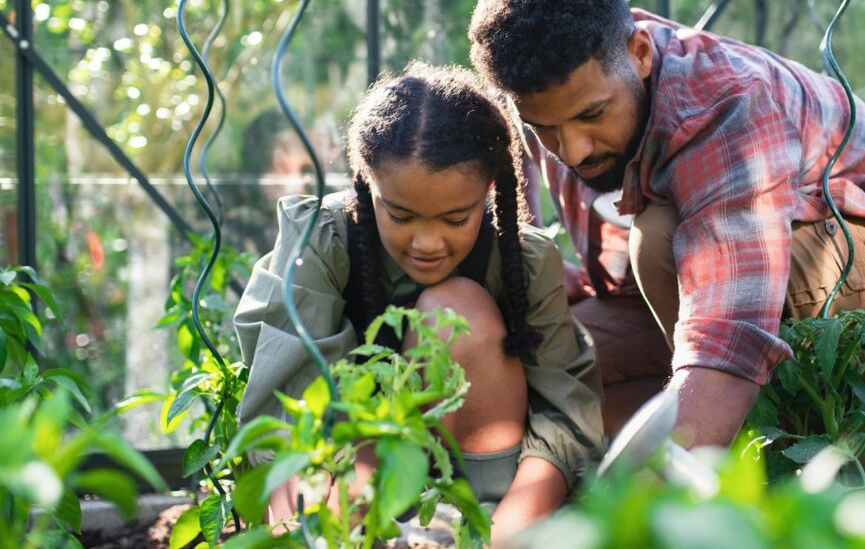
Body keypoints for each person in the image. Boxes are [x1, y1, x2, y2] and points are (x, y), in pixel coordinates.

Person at [468, 0, 865, 448]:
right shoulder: (544, 89)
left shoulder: (722, 105)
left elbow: (728, 331)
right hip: (771, 284)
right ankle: (721, 451)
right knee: (553, 372)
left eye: (592, 115)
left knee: (660, 239)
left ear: (640, 53)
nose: (574, 150)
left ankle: (782, 457)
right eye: (546, 129)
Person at [233, 62, 604, 542]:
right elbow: (287, 422)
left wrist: (501, 533)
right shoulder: (322, 241)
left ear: (489, 192)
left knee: (453, 312)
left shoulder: (521, 259)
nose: (427, 242)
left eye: (455, 218)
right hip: (354, 479)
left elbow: (566, 417)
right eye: (401, 215)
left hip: (483, 490)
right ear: (367, 184)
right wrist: (313, 532)